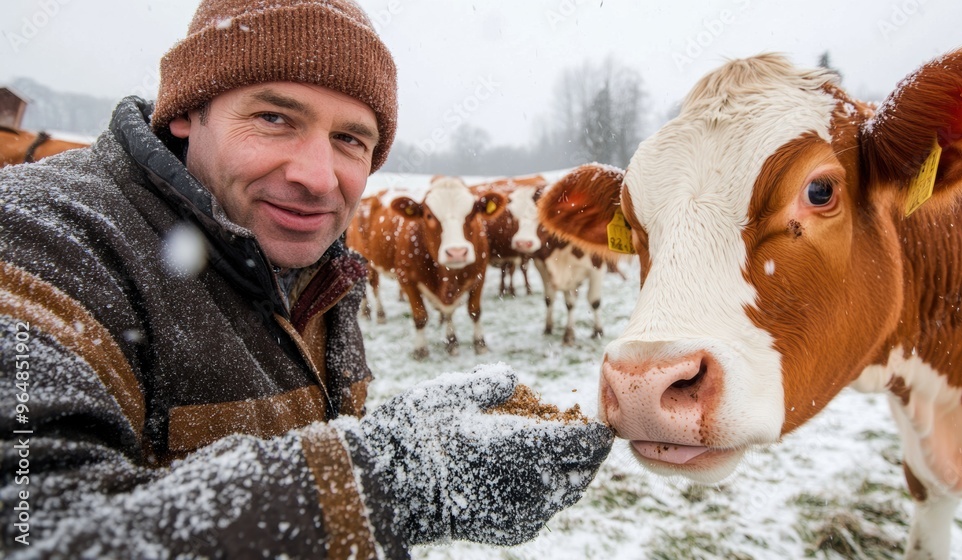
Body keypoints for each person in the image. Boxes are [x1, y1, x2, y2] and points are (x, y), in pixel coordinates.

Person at [0, 0, 613, 557]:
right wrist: (395, 479)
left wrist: (381, 450)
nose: (319, 177)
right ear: (187, 110)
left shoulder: (316, 260)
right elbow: (33, 532)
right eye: (273, 118)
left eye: (350, 139)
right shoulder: (35, 235)